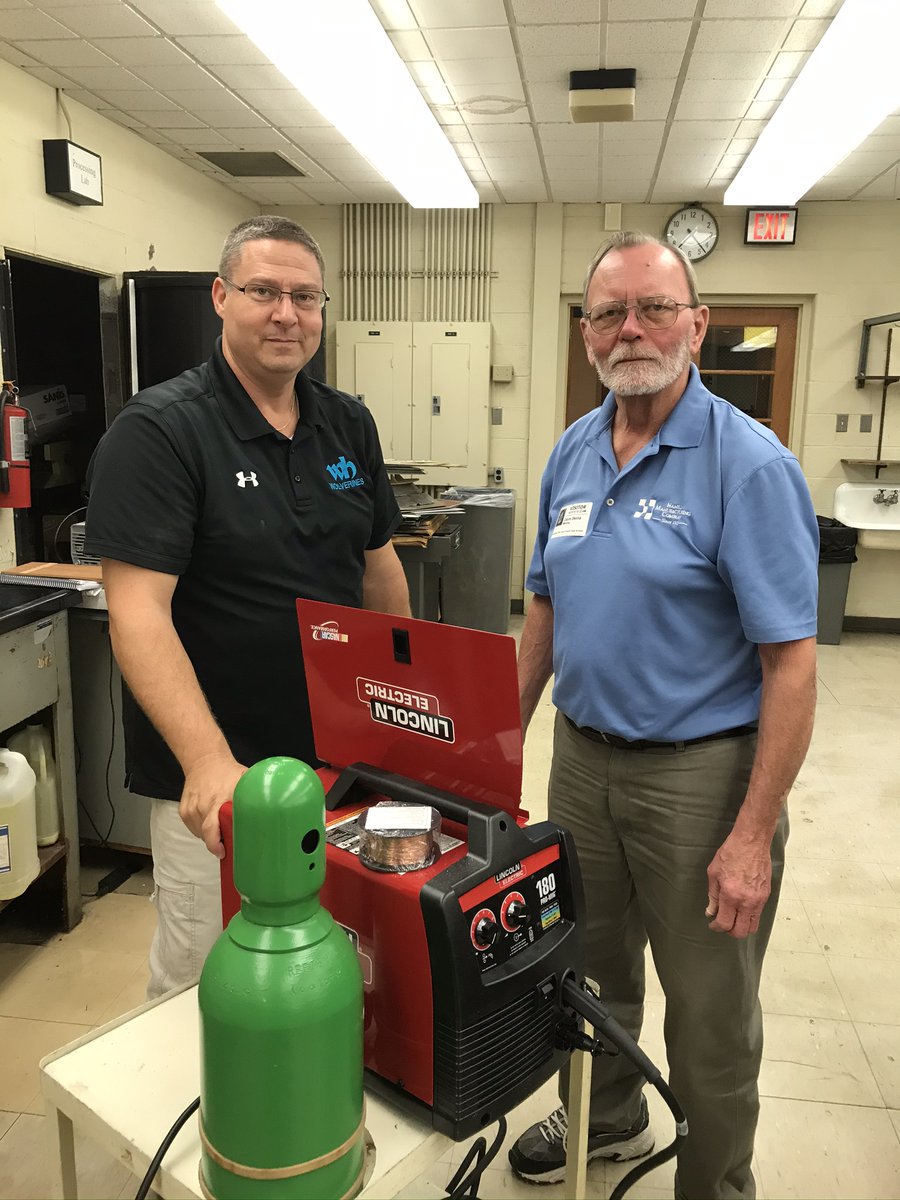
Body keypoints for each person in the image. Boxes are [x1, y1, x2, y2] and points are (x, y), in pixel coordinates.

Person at [509, 231, 818, 1198]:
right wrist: (494, 748)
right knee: (588, 974)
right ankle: (608, 1116)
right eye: (608, 312)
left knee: (710, 1013)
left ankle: (719, 1185)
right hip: (582, 761)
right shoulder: (572, 446)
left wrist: (753, 835)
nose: (630, 329)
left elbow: (792, 664)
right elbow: (544, 610)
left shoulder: (748, 465)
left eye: (652, 308)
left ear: (697, 323)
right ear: (588, 330)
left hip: (701, 776)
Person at [85, 215, 410, 998]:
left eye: (305, 296)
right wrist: (207, 763)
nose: (287, 314)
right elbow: (137, 611)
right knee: (213, 988)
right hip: (223, 786)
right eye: (265, 291)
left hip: (339, 774)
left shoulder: (346, 423)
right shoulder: (162, 430)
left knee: (328, 974)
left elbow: (378, 571)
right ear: (221, 297)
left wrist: (405, 711)